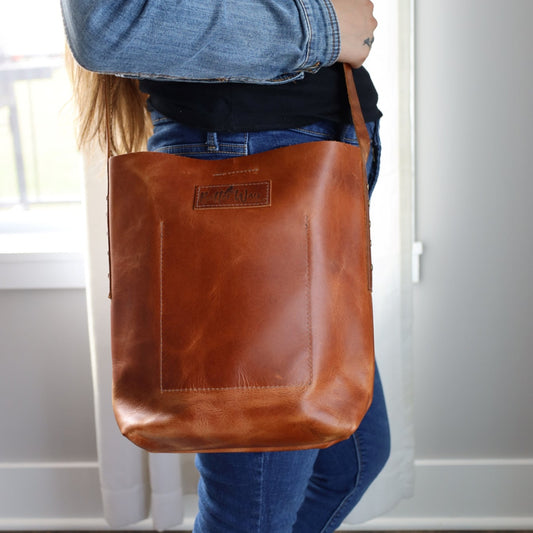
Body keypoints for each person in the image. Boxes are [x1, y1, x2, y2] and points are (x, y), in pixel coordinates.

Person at [61, 1, 390, 531]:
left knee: (351, 464)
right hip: (247, 155)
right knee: (250, 517)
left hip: (327, 149)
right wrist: (324, 28)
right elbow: (106, 27)